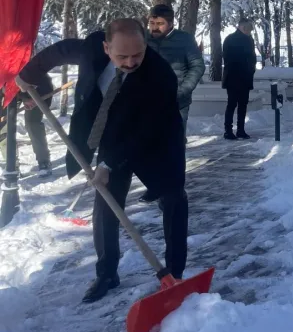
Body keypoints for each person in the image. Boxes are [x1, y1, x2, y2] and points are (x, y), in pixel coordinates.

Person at [16, 18, 188, 303]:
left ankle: (176, 274)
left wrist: (108, 165)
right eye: (122, 56)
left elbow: (147, 129)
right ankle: (107, 273)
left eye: (138, 54)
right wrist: (29, 73)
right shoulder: (91, 48)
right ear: (106, 47)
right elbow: (59, 51)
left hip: (156, 141)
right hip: (112, 132)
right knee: (106, 205)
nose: (132, 62)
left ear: (146, 46)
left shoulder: (160, 75)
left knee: (173, 199)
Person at [146, 4, 205, 136]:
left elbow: (197, 66)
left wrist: (182, 91)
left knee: (175, 143)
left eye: (160, 23)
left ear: (171, 23)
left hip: (177, 103)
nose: (154, 27)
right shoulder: (143, 38)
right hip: (147, 103)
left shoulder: (184, 39)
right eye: (151, 23)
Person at [222, 19, 256, 140]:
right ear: (243, 27)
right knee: (232, 104)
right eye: (248, 29)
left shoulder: (249, 40)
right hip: (233, 77)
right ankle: (228, 130)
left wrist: (251, 69)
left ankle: (241, 130)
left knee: (243, 105)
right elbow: (227, 58)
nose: (250, 31)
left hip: (245, 77)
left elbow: (252, 57)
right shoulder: (230, 39)